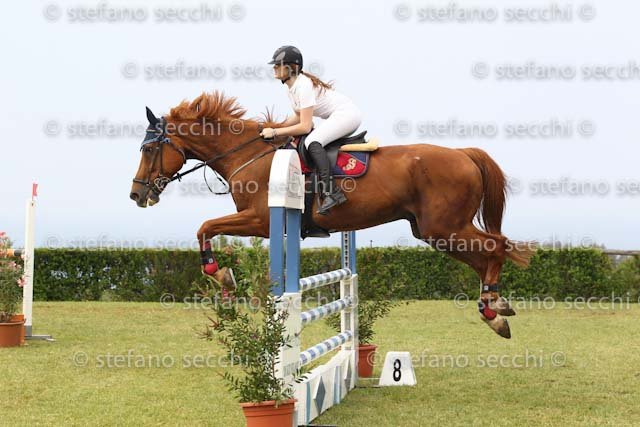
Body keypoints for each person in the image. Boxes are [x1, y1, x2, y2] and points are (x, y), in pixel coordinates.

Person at [261, 45, 363, 215]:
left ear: (291, 68)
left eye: (278, 65)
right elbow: (298, 116)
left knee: (312, 141)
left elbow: (305, 126)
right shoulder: (291, 88)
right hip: (339, 116)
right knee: (312, 139)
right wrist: (276, 127)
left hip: (347, 115)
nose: (274, 68)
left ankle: (332, 192)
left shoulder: (303, 86)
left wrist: (276, 133)